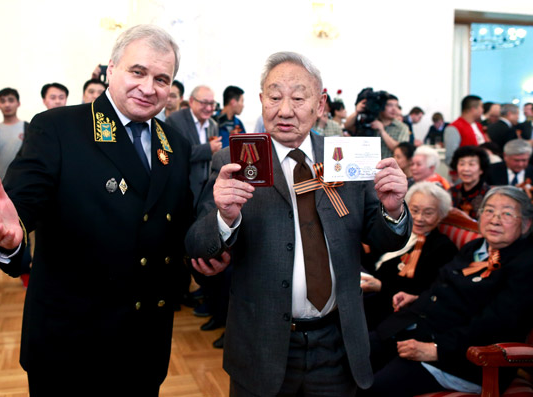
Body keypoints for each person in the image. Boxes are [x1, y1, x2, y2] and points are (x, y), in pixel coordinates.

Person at [0, 24, 193, 396]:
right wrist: (9, 239)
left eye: (162, 78)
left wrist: (215, 236)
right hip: (71, 347)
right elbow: (16, 209)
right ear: (111, 69)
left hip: (144, 346)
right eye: (137, 71)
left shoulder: (174, 142)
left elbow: (180, 225)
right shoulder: (59, 129)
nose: (149, 87)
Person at [185, 51, 411, 396]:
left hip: (337, 342)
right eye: (274, 97)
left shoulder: (346, 158)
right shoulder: (233, 160)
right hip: (262, 342)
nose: (285, 110)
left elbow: (383, 238)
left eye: (298, 98)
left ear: (320, 104)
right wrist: (225, 217)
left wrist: (393, 211)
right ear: (262, 101)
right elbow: (199, 245)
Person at [361, 186, 533, 397]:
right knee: (354, 357)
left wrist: (436, 349)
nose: (495, 219)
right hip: (423, 329)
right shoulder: (476, 247)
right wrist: (418, 298)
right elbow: (443, 285)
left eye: (507, 213)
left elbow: (497, 323)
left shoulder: (526, 265)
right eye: (489, 211)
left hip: (460, 359)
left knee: (372, 387)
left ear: (526, 224)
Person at [361, 182, 457, 330]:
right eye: (415, 210)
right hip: (367, 294)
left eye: (428, 213)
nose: (419, 218)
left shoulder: (443, 248)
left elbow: (426, 290)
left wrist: (382, 287)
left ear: (440, 216)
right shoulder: (395, 231)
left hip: (395, 311)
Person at [0, 88, 31, 294]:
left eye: (11, 100)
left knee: (20, 231)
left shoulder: (28, 128)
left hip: (19, 192)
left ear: (18, 103)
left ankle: (25, 271)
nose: (7, 104)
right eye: (3, 100)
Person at [166, 85, 220, 207]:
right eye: (204, 103)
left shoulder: (213, 125)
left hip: (206, 193)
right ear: (191, 101)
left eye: (212, 104)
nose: (209, 108)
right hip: (183, 189)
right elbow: (176, 154)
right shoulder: (175, 120)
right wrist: (208, 149)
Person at [449, 145, 490, 219]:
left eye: (471, 164)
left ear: (481, 170)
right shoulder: (452, 192)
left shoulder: (489, 195)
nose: (466, 169)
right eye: (462, 164)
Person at [444, 95, 486, 165]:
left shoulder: (478, 126)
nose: (483, 110)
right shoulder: (454, 128)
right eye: (481, 107)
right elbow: (450, 158)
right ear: (473, 109)